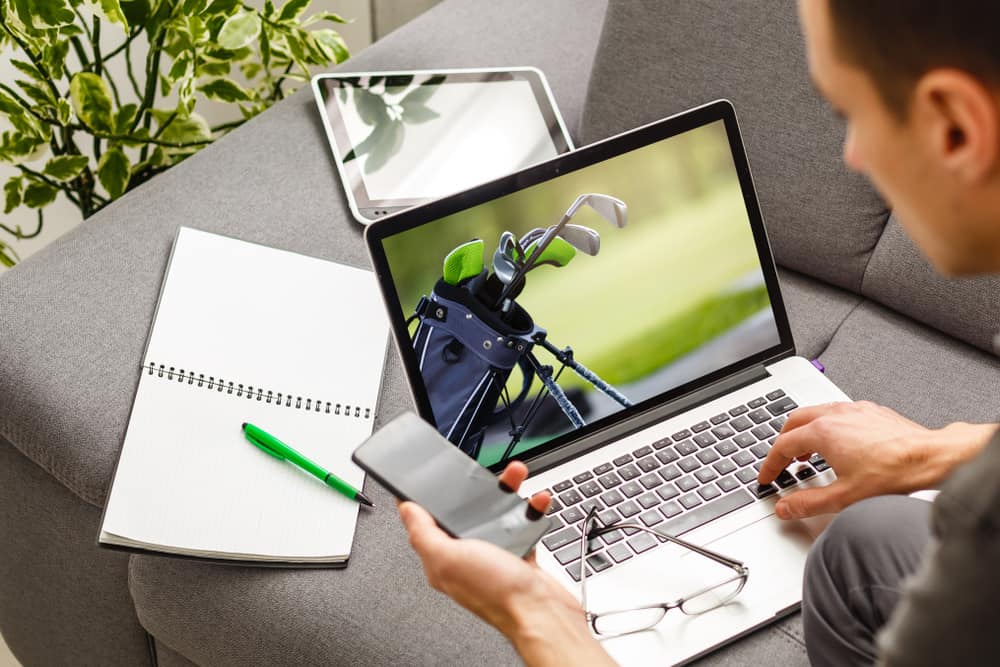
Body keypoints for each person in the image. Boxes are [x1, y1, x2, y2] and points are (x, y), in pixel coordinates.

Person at [401, 1, 1000, 664]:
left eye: (849, 113)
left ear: (957, 128)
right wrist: (937, 450)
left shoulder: (976, 564)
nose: (852, 158)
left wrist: (535, 611)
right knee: (858, 541)